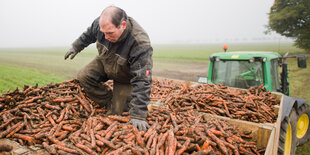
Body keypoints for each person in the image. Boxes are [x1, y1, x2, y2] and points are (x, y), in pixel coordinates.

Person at [64, 6, 152, 131]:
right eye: (103, 32)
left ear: (122, 25)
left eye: (110, 33)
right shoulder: (100, 25)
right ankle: (109, 99)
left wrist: (139, 115)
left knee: (117, 113)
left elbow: (143, 79)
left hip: (125, 76)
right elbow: (88, 35)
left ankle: (119, 102)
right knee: (84, 76)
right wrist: (76, 46)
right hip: (105, 61)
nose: (105, 37)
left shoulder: (139, 43)